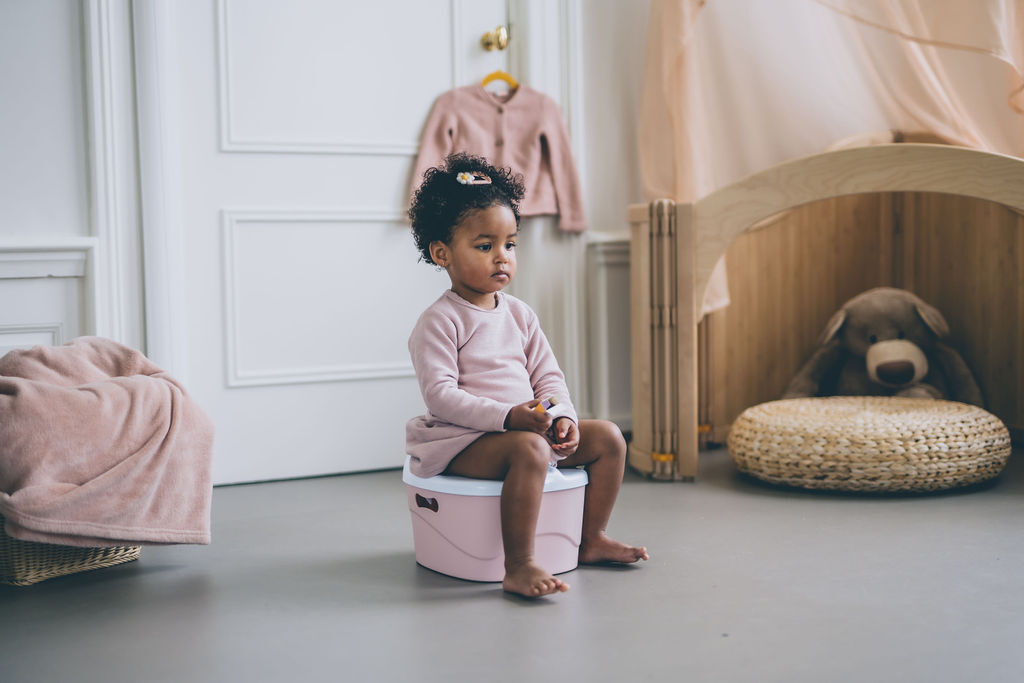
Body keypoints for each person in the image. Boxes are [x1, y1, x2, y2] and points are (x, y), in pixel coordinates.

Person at [406, 152, 648, 598]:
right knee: (531, 451)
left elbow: (549, 378)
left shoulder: (520, 314)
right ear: (442, 253)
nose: (502, 257)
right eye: (485, 246)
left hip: (522, 432)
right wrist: (510, 417)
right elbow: (441, 397)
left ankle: (590, 539)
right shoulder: (440, 321)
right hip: (461, 443)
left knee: (610, 437)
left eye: (510, 245)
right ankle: (518, 564)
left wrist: (564, 418)